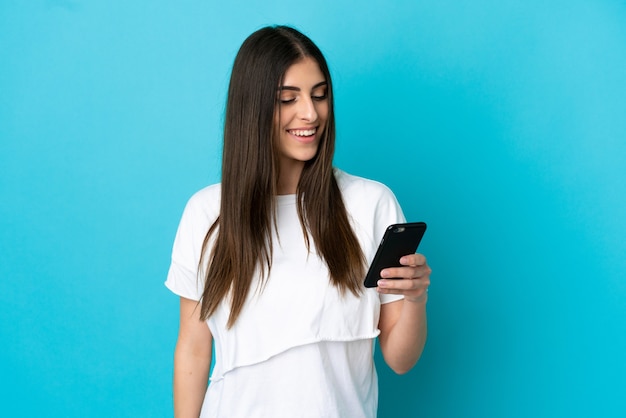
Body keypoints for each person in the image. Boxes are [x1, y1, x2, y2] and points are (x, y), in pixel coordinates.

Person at [165, 25, 431, 418]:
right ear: (251, 108)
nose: (310, 113)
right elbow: (193, 346)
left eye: (320, 95)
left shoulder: (370, 204)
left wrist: (416, 298)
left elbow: (400, 359)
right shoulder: (207, 213)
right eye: (287, 98)